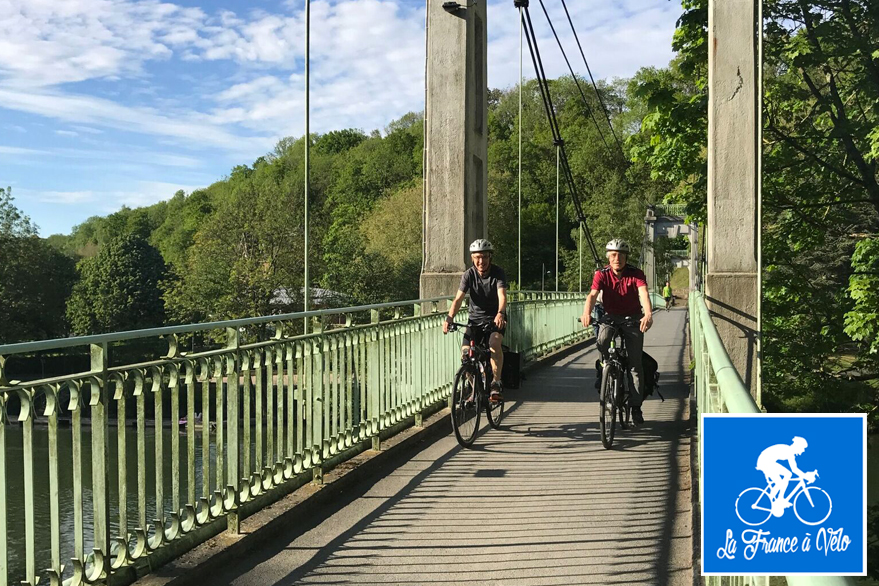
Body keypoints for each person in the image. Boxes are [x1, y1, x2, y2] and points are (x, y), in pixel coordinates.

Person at [580, 239, 653, 424]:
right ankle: (605, 368)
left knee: (635, 364)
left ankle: (636, 407)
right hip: (611, 317)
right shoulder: (601, 274)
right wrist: (586, 313)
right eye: (613, 255)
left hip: (632, 318)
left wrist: (648, 314)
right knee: (602, 340)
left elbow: (643, 293)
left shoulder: (636, 273)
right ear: (608, 257)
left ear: (626, 257)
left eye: (620, 255)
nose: (617, 258)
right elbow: (592, 295)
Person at [443, 239, 508, 402]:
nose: (481, 261)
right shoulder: (468, 275)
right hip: (474, 321)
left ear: (490, 257)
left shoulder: (498, 273)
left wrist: (500, 313)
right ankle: (476, 390)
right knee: (465, 356)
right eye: (477, 257)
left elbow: (502, 296)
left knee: (494, 344)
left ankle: (495, 383)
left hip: (495, 319)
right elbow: (458, 299)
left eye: (485, 257)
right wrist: (449, 318)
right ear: (472, 258)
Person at [756, 436, 817, 515]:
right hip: (765, 462)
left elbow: (795, 468)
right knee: (786, 475)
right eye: (803, 448)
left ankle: (775, 499)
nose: (803, 450)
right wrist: (806, 476)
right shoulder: (788, 451)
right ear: (798, 446)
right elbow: (794, 469)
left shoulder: (789, 451)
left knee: (784, 478)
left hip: (766, 461)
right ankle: (778, 499)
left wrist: (805, 475)